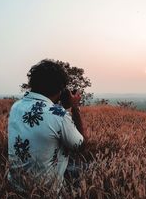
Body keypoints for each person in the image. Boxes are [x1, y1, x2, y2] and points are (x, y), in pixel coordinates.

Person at [7, 59, 88, 192]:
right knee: (88, 167)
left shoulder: (16, 106)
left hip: (15, 185)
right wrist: (74, 108)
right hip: (45, 193)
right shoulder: (58, 115)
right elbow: (81, 146)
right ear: (60, 90)